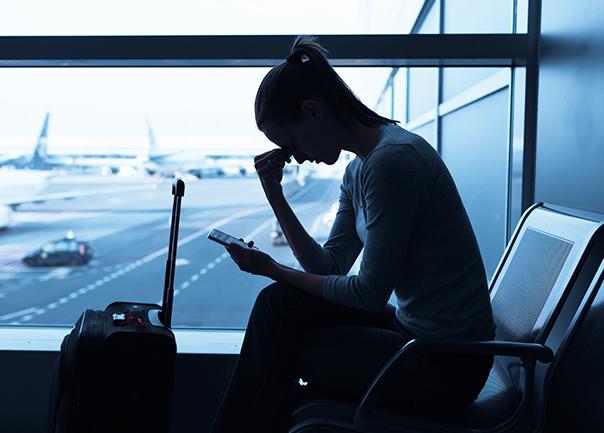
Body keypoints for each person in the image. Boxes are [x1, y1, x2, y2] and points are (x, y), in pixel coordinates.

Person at [210, 35, 496, 433]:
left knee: (283, 333)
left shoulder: (394, 162)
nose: (295, 156)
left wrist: (272, 268)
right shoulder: (359, 169)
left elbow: (368, 294)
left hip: (445, 367)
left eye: (290, 142)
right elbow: (329, 265)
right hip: (416, 336)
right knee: (280, 308)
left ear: (313, 111)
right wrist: (274, 194)